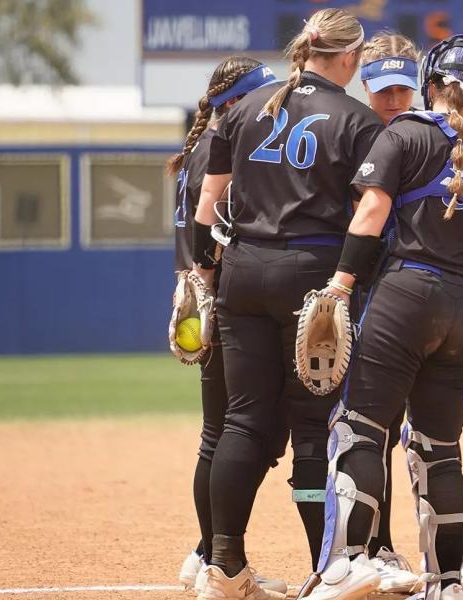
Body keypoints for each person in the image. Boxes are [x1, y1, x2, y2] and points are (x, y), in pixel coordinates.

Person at [304, 34, 463, 600]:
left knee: (361, 428)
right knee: (440, 449)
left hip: (404, 296)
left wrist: (339, 284)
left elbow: (373, 213)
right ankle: (447, 583)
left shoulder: (403, 134)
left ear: (429, 83)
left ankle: (351, 562)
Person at [191, 9, 384, 600]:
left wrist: (204, 275)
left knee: (242, 420)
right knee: (311, 428)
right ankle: (326, 568)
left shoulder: (247, 109)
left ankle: (222, 566)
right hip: (313, 273)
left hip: (243, 272)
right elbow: (369, 216)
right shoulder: (357, 119)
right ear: (349, 58)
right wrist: (349, 282)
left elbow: (207, 204)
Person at [167, 56, 290, 597]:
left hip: (203, 297)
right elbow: (215, 234)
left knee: (221, 434)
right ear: (236, 100)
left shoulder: (201, 149)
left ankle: (208, 551)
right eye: (262, 94)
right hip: (222, 299)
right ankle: (212, 552)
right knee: (233, 435)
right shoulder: (223, 150)